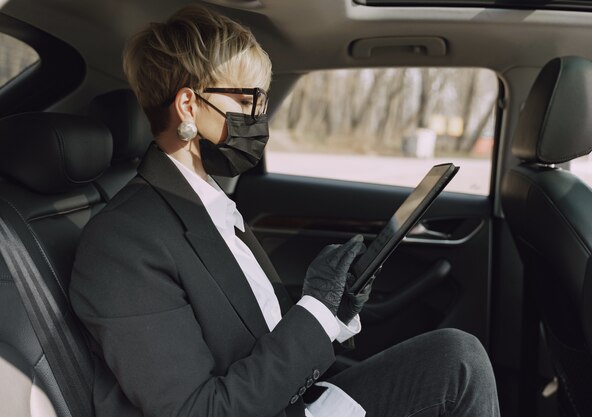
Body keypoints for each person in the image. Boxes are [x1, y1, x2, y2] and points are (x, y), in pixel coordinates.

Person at [69, 5, 501, 417]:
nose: (260, 117)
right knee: (460, 361)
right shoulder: (123, 241)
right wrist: (315, 307)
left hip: (295, 399)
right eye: (248, 101)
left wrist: (336, 309)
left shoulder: (208, 204)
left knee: (455, 357)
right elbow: (198, 410)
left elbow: (256, 334)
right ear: (187, 106)